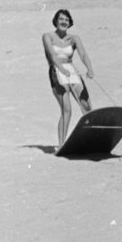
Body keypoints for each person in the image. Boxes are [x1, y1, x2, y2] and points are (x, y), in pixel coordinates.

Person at [42, 9, 94, 147]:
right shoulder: (47, 36)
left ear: (70, 22)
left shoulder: (74, 38)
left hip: (72, 71)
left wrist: (89, 69)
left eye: (66, 20)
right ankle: (61, 144)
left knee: (87, 108)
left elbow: (83, 55)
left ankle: (91, 140)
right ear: (56, 21)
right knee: (67, 110)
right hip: (56, 71)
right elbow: (52, 55)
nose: (64, 22)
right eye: (61, 19)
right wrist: (61, 68)